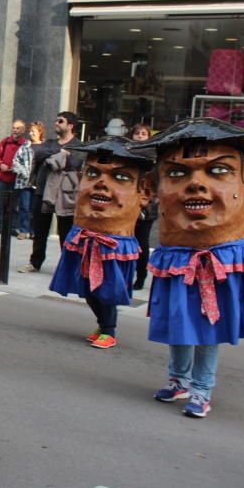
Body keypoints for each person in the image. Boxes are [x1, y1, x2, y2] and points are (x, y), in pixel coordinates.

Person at [137, 118, 244, 419]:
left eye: (217, 170)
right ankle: (179, 380)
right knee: (180, 323)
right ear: (156, 184)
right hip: (177, 257)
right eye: (176, 172)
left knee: (208, 329)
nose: (197, 184)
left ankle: (202, 389)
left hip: (221, 261)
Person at [48, 138, 154, 350]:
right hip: (85, 239)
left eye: (120, 177)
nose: (101, 183)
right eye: (93, 173)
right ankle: (102, 324)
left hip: (114, 245)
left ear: (143, 190)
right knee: (87, 289)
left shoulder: (141, 196)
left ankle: (109, 330)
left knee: (107, 290)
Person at [19, 112, 82, 273]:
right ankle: (35, 262)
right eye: (55, 120)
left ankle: (67, 267)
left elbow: (75, 163)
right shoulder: (49, 143)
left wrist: (55, 156)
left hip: (66, 194)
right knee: (40, 230)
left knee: (65, 232)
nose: (56, 123)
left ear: (70, 126)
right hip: (43, 191)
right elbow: (38, 153)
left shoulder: (78, 145)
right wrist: (60, 153)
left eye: (60, 121)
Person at [130, 123, 158, 290]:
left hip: (146, 207)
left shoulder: (153, 157)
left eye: (143, 134)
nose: (140, 136)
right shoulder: (127, 153)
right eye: (137, 133)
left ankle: (140, 277)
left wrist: (152, 199)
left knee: (142, 242)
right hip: (128, 203)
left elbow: (156, 182)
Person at [0, 119, 27, 236]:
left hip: (17, 180)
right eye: (14, 128)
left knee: (14, 205)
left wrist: (18, 168)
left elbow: (28, 161)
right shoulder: (5, 142)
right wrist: (1, 164)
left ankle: (13, 227)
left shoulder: (25, 144)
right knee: (0, 203)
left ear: (23, 130)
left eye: (18, 128)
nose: (15, 130)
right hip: (2, 177)